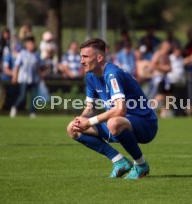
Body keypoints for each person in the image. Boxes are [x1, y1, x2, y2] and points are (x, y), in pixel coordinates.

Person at [66, 38, 158, 179]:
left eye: (85, 57)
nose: (81, 61)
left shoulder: (112, 73)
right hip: (122, 122)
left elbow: (120, 110)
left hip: (145, 124)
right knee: (72, 128)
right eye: (81, 57)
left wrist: (89, 122)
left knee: (114, 122)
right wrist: (81, 119)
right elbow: (90, 108)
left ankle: (141, 165)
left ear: (99, 57)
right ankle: (119, 161)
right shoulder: (90, 76)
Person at [10, 36, 42, 118]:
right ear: (27, 45)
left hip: (33, 79)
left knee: (34, 97)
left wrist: (40, 77)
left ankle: (32, 112)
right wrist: (14, 77)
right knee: (22, 96)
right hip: (24, 79)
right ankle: (14, 107)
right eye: (30, 44)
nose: (32, 45)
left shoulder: (36, 55)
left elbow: (38, 67)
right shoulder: (22, 53)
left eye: (33, 44)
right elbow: (17, 66)